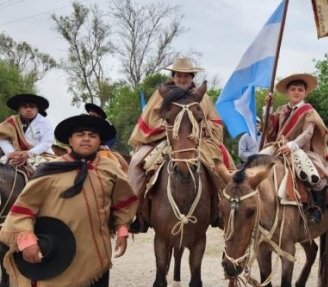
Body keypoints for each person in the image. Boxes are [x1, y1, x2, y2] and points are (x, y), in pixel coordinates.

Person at [0, 114, 138, 287]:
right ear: (70, 141)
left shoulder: (110, 168)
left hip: (97, 254)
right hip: (59, 253)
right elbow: (24, 208)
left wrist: (123, 229)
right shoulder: (49, 171)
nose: (86, 138)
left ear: (99, 141)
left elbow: (123, 201)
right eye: (80, 134)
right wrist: (26, 240)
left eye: (92, 135)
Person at [127, 56, 235, 232]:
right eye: (179, 75)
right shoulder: (161, 94)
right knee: (136, 162)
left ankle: (225, 211)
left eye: (186, 76)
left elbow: (214, 123)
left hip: (197, 140)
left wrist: (200, 129)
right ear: (173, 75)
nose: (182, 79)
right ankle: (134, 212)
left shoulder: (202, 97)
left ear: (193, 77)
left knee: (224, 163)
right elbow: (150, 120)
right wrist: (172, 129)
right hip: (163, 139)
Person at [262, 73, 328, 225]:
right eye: (293, 89)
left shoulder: (309, 111)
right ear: (288, 92)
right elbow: (270, 129)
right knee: (255, 161)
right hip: (279, 147)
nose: (296, 92)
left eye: (300, 90)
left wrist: (292, 145)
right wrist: (268, 109)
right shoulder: (281, 110)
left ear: (305, 93)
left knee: (316, 173)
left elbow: (308, 132)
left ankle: (316, 208)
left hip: (302, 149)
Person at [0, 94, 54, 168]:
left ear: (37, 109)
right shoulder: (11, 121)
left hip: (41, 155)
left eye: (32, 106)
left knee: (46, 170)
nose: (28, 109)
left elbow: (46, 143)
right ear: (19, 109)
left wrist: (28, 154)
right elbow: (2, 138)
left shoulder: (45, 122)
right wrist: (11, 152)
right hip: (16, 155)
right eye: (25, 107)